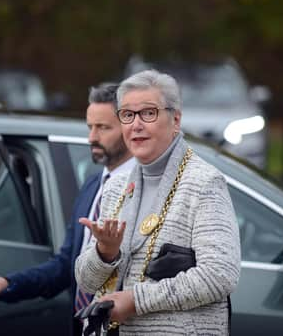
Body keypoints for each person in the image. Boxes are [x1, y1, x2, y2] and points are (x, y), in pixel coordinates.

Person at [75, 69, 241, 335]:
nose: (136, 124)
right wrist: (105, 253)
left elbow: (219, 275)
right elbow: (85, 282)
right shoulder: (116, 186)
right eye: (127, 115)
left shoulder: (204, 183)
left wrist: (135, 301)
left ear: (175, 119)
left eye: (148, 113)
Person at [0, 83, 136, 335]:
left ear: (129, 129)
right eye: (90, 127)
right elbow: (65, 265)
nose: (92, 137)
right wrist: (9, 284)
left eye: (103, 128)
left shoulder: (144, 189)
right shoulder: (93, 185)